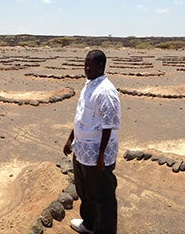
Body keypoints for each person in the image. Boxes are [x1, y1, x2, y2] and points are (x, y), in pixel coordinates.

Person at [63, 49, 121, 234]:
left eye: (90, 65)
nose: (86, 69)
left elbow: (108, 125)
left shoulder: (106, 92)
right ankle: (89, 224)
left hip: (97, 153)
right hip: (82, 149)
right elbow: (82, 116)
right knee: (85, 191)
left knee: (102, 196)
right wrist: (70, 139)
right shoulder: (89, 85)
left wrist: (102, 155)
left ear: (101, 66)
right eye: (85, 65)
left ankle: (104, 231)